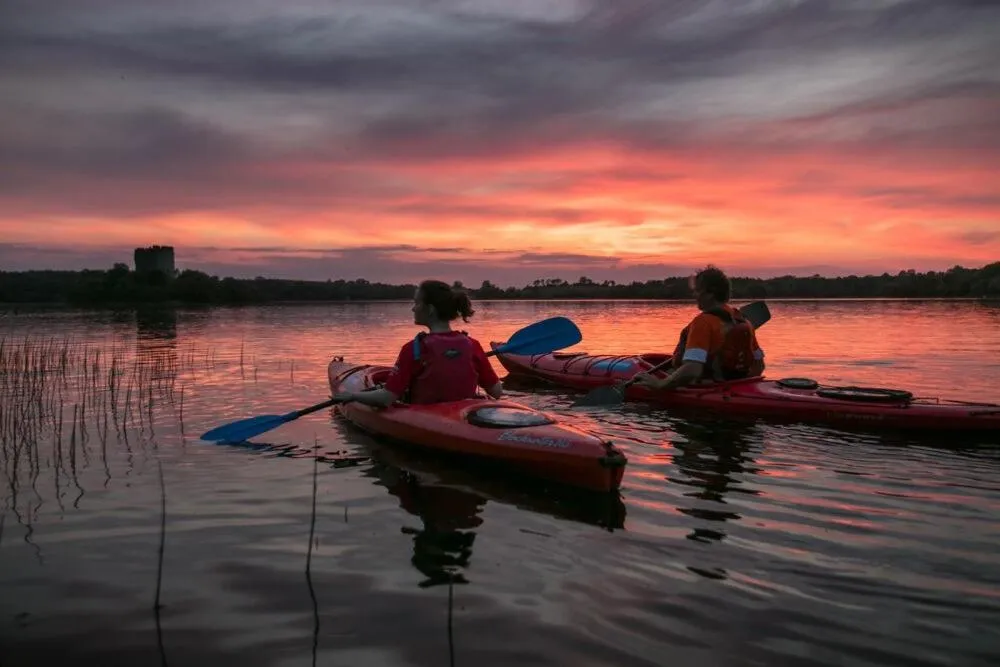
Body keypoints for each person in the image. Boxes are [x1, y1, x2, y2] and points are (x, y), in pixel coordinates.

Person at [333, 280, 503, 408]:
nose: (413, 309)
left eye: (416, 303)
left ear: (429, 309)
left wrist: (353, 396)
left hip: (428, 419)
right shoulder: (472, 345)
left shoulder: (414, 349)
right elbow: (496, 392)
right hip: (464, 416)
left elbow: (387, 398)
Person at [632, 265, 764, 391]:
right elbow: (759, 365)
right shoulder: (743, 321)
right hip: (737, 385)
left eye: (697, 290)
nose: (694, 295)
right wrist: (740, 387)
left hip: (707, 387)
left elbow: (692, 369)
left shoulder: (703, 323)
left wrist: (659, 384)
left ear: (710, 294)